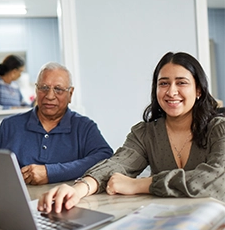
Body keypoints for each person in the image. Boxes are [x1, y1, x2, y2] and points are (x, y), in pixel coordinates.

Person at [37, 51, 225, 214]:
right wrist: (78, 189)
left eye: (181, 82)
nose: (171, 91)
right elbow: (117, 164)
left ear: (198, 90)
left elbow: (215, 180)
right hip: (167, 222)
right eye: (164, 83)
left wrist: (141, 184)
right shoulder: (145, 133)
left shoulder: (219, 129)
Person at [0, 62, 113, 184]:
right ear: (36, 90)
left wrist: (50, 172)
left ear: (70, 93)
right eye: (44, 88)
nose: (50, 96)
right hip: (16, 202)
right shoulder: (10, 125)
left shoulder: (84, 127)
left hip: (67, 201)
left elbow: (105, 158)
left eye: (58, 89)